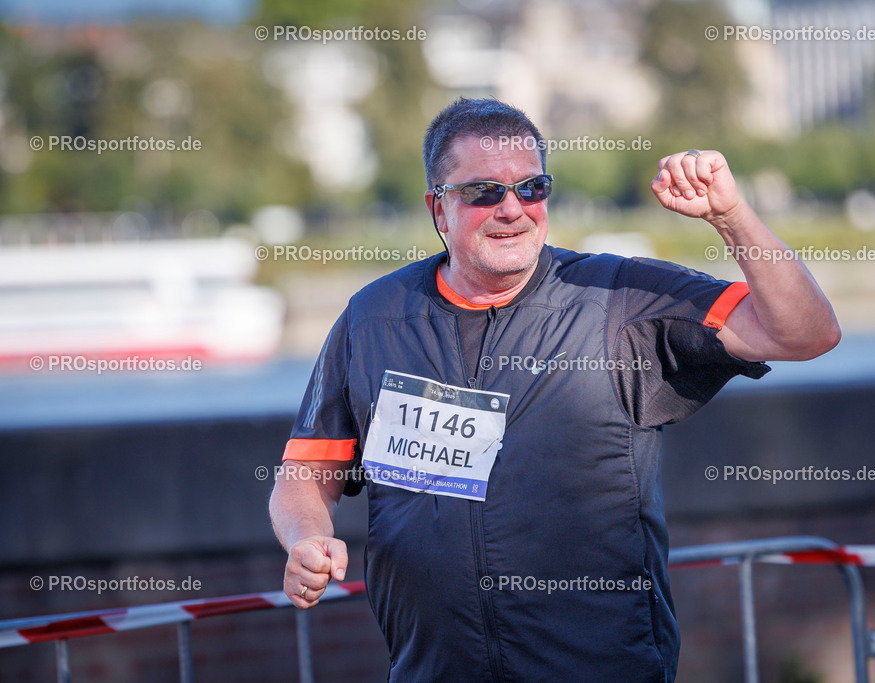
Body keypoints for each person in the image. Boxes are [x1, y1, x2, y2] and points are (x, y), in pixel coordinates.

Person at [269, 97, 840, 681]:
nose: (512, 209)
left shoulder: (617, 297)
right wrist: (306, 539)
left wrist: (731, 216)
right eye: (484, 192)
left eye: (532, 188)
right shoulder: (375, 318)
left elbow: (806, 333)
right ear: (438, 209)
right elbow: (306, 474)